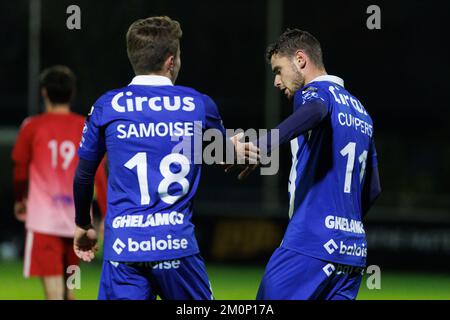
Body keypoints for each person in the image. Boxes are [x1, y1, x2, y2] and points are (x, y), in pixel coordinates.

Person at [73, 16, 256, 300]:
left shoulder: (107, 105)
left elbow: (84, 175)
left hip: (124, 250)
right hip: (177, 248)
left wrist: (84, 224)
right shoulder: (198, 104)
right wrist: (241, 150)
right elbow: (224, 155)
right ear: (171, 61)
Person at [230, 29, 381, 300]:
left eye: (278, 70)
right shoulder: (363, 113)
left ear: (300, 59)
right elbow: (373, 190)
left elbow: (316, 110)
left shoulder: (313, 93)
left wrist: (263, 145)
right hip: (352, 253)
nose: (276, 81)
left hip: (310, 245)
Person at [12, 65, 107, 300]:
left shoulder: (32, 126)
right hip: (78, 224)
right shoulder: (86, 128)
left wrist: (19, 200)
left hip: (44, 223)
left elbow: (20, 172)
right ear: (72, 93)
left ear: (44, 92)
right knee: (70, 290)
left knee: (54, 295)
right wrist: (106, 213)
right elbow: (99, 175)